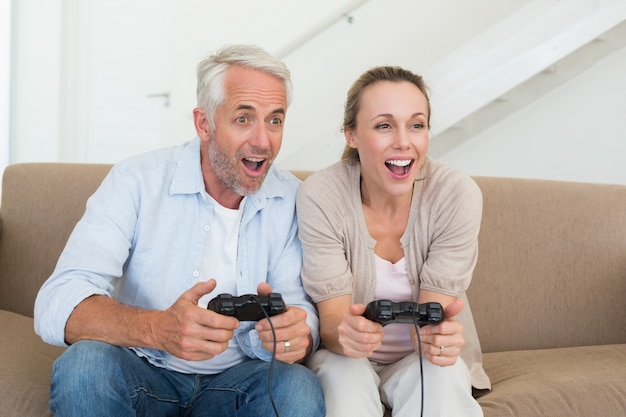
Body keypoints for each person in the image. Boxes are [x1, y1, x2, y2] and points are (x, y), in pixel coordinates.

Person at [34, 44, 325, 417]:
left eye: (275, 120)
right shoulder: (136, 181)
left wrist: (295, 336)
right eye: (243, 118)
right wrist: (157, 329)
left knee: (297, 387)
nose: (263, 141)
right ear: (204, 124)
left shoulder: (292, 199)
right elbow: (57, 299)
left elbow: (302, 311)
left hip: (239, 383)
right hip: (143, 371)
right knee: (85, 366)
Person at [296, 66, 491, 417]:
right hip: (346, 358)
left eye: (416, 125)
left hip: (422, 357)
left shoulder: (455, 194)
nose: (403, 141)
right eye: (384, 125)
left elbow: (429, 325)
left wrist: (438, 337)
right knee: (344, 379)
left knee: (440, 379)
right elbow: (332, 322)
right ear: (351, 135)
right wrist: (347, 334)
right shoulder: (321, 195)